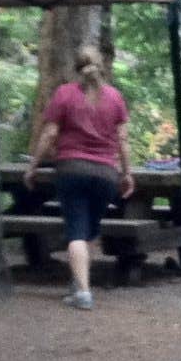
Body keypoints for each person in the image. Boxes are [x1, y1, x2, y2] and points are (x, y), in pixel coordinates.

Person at [26, 47, 135, 309]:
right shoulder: (115, 97)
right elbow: (123, 140)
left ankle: (83, 293)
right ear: (102, 67)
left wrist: (33, 166)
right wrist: (127, 173)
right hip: (105, 174)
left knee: (76, 230)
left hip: (71, 170)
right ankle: (78, 284)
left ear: (76, 68)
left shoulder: (64, 94)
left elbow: (50, 134)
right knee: (87, 231)